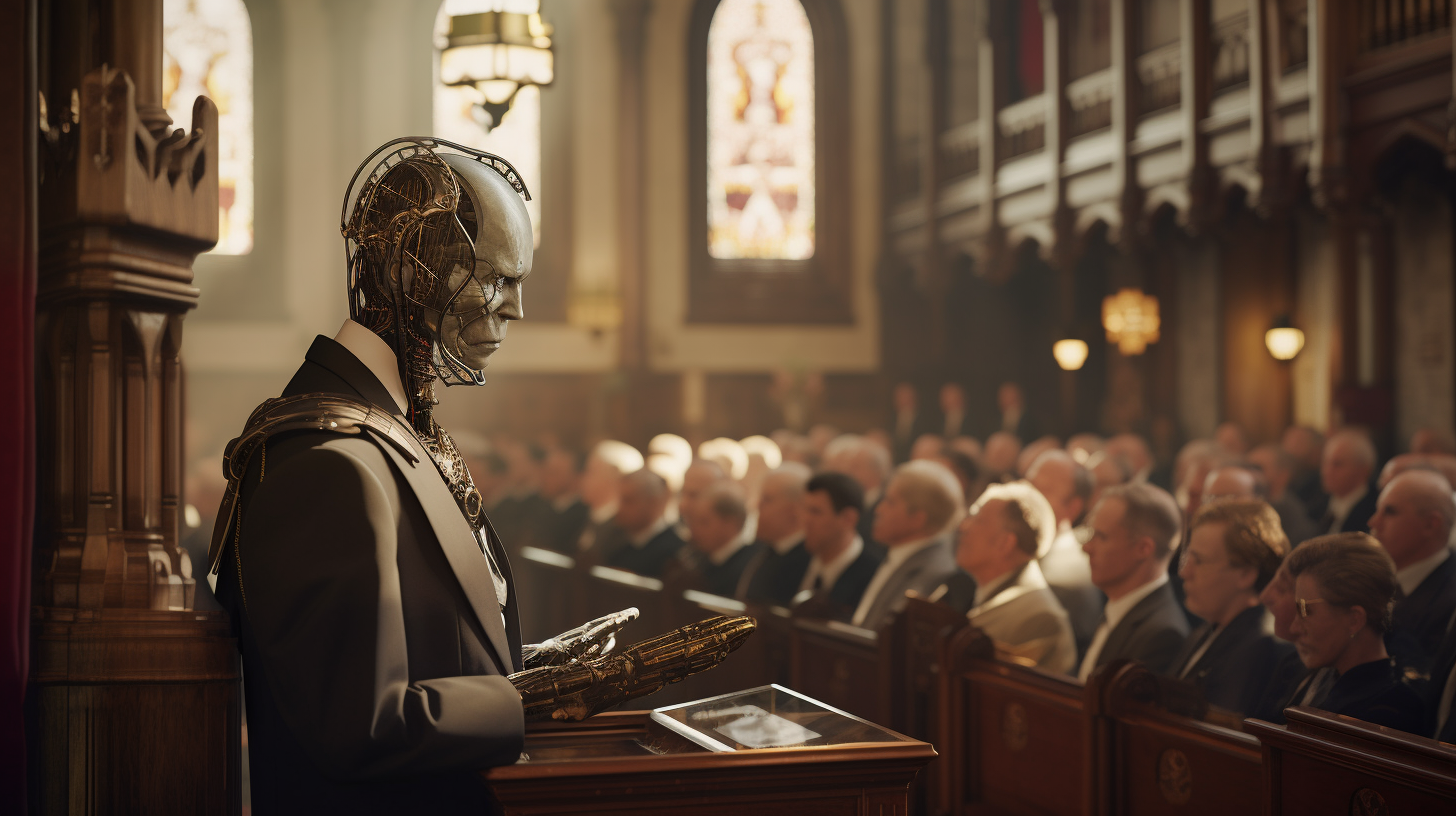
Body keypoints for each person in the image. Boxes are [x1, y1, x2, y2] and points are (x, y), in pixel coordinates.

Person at [211, 140, 537, 813]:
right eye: (498, 278)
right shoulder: (327, 462)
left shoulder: (389, 428)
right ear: (410, 270)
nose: (515, 309)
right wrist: (533, 699)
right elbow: (359, 724)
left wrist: (549, 667)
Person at [1281, 533, 1427, 734]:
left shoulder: (1390, 710)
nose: (1294, 628)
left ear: (1354, 619)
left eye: (1306, 611)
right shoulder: (1322, 676)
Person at [1170, 499, 1293, 715]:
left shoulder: (1258, 650)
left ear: (1245, 574)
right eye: (1187, 558)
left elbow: (1220, 737)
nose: (1184, 573)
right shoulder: (1208, 629)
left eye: (1197, 561)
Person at [953, 483, 1076, 674]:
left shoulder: (1040, 619)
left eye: (977, 520)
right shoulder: (965, 589)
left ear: (1006, 543)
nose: (963, 526)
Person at [1077, 482, 1190, 681]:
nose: (1087, 548)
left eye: (1101, 537)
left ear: (1143, 549)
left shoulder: (1162, 635)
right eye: (1090, 534)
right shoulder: (1117, 604)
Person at [851, 461, 964, 631]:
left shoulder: (933, 574)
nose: (878, 509)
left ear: (918, 519)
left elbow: (887, 640)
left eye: (890, 502)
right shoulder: (902, 555)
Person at [1367, 470, 1456, 677]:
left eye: (1389, 512)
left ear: (1430, 524)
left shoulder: (1450, 603)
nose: (1373, 522)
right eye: (1376, 510)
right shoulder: (1375, 579)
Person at [1026, 450, 1104, 657]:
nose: (1026, 497)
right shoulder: (1031, 549)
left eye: (1042, 490)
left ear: (1073, 507)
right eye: (1028, 485)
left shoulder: (1063, 581)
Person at [796, 472, 882, 618]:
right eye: (805, 510)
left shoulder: (873, 576)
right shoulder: (796, 560)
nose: (805, 520)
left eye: (815, 512)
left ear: (848, 518)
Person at [737, 463, 813, 604]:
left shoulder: (809, 562)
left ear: (795, 510)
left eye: (767, 499)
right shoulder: (764, 551)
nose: (757, 505)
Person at [683, 482, 763, 598]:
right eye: (692, 522)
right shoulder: (697, 558)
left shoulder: (752, 565)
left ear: (730, 523)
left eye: (703, 522)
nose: (694, 530)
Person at [604, 469, 685, 578]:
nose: (620, 509)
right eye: (620, 500)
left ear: (654, 503)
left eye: (628, 501)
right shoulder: (614, 539)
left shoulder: (675, 553)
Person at [576, 440, 645, 554]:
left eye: (591, 471)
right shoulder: (582, 515)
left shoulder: (624, 529)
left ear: (615, 478)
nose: (584, 478)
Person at [1247, 445, 1320, 547]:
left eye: (1258, 468)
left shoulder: (1292, 517)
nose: (1249, 474)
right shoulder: (1249, 503)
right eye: (1248, 467)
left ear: (1283, 475)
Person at [1318, 429, 1378, 535]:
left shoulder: (1374, 512)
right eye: (1326, 462)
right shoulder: (1317, 503)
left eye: (1338, 464)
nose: (1327, 471)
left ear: (1363, 470)